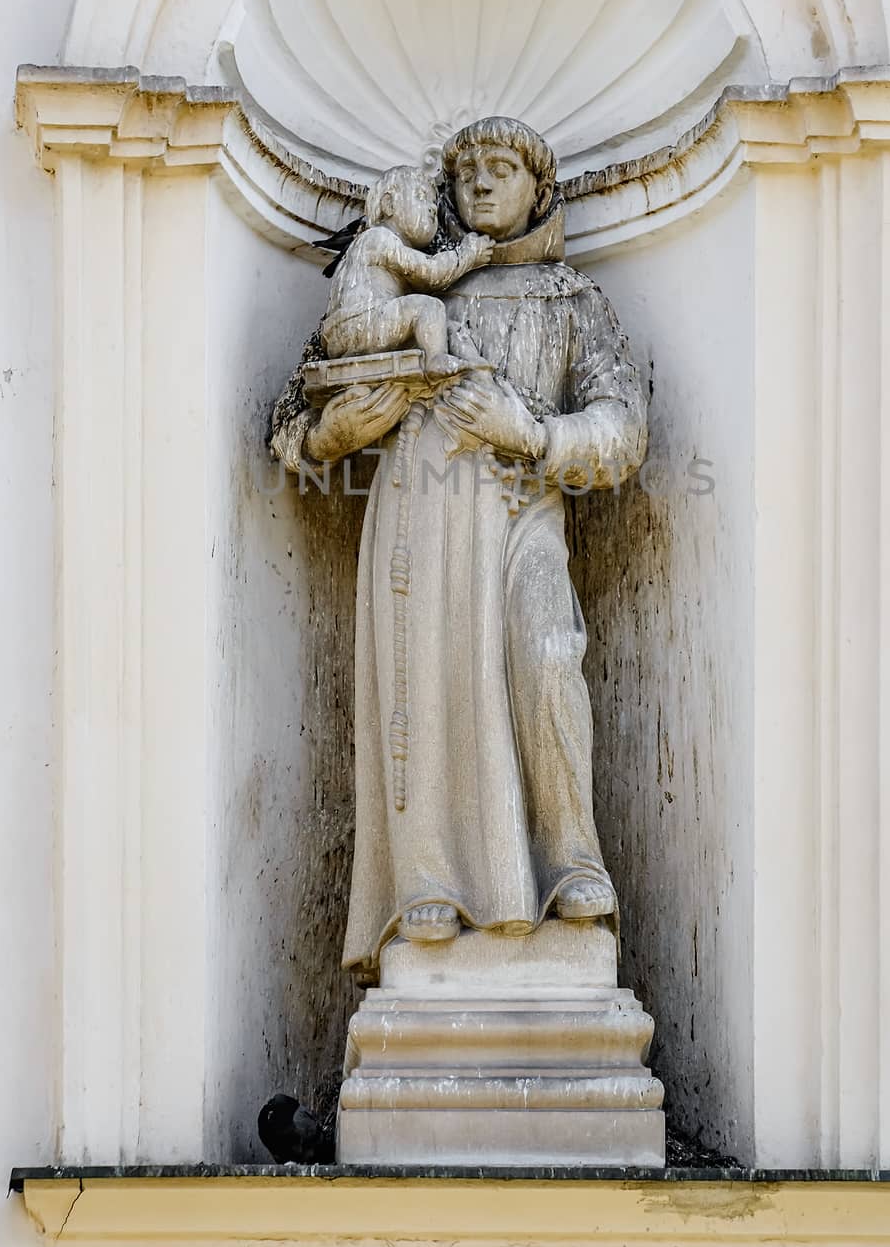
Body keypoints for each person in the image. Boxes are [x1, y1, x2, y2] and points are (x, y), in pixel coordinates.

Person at [271, 117, 647, 981]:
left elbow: (623, 430)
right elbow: (293, 418)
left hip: (522, 518)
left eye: (503, 167)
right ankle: (427, 881)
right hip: (419, 525)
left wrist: (533, 433)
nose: (481, 184)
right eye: (467, 170)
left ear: (539, 188)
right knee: (428, 685)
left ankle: (568, 863)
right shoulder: (400, 277)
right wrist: (338, 432)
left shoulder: (572, 302)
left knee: (548, 657)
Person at [320, 164, 492, 378]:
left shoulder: (386, 250)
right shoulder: (377, 238)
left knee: (447, 327)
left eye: (434, 204)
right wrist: (467, 255)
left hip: (363, 328)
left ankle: (480, 372)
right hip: (358, 324)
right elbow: (430, 272)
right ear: (389, 204)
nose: (431, 208)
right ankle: (435, 360)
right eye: (421, 196)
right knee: (429, 306)